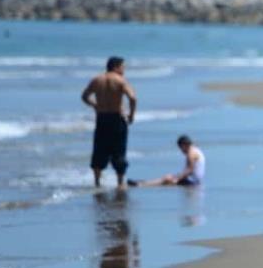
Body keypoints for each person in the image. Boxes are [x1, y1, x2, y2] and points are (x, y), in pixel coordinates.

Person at [81, 56, 137, 189]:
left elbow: (84, 97)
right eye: (123, 67)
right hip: (117, 117)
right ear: (116, 67)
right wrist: (131, 115)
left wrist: (95, 105)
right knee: (119, 150)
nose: (124, 70)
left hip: (102, 118)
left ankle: (96, 182)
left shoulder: (97, 80)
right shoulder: (120, 81)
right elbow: (133, 98)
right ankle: (120, 182)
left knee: (99, 149)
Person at [129, 135, 206, 187]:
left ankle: (141, 184)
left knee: (165, 179)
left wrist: (176, 179)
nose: (181, 151)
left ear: (184, 145)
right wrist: (177, 176)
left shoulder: (191, 154)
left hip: (192, 181)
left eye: (180, 148)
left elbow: (190, 170)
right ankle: (143, 183)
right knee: (167, 177)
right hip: (195, 180)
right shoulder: (196, 150)